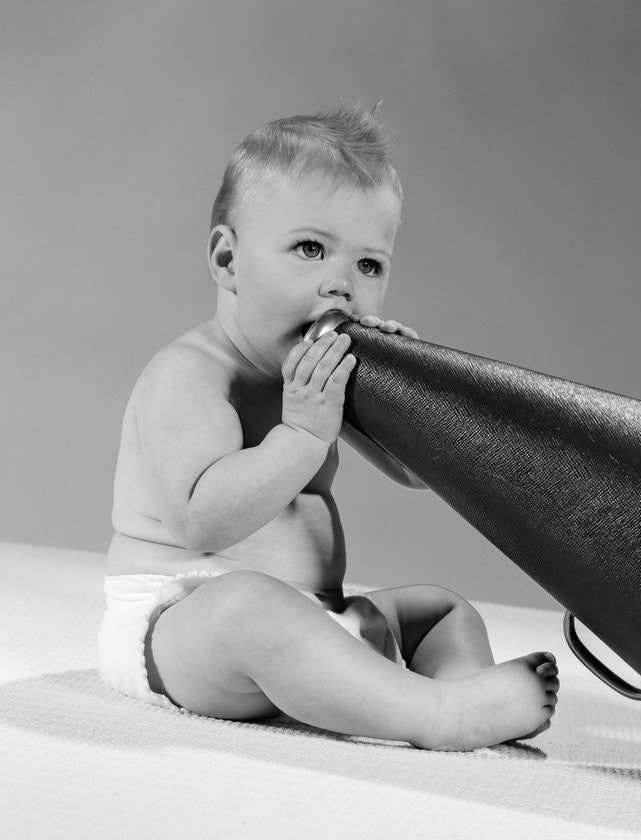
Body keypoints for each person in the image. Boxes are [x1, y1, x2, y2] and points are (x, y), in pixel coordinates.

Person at [99, 104, 558, 750]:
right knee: (248, 606)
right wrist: (304, 436)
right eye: (310, 248)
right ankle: (432, 713)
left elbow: (415, 474)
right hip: (180, 625)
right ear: (228, 260)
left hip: (316, 618)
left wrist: (401, 393)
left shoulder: (318, 377)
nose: (340, 286)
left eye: (369, 266)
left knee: (439, 608)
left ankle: (465, 694)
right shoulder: (190, 374)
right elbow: (201, 522)